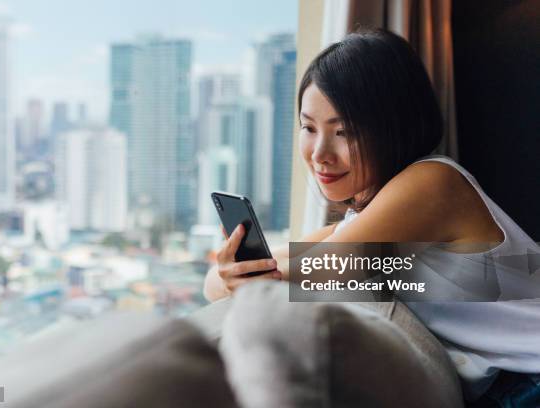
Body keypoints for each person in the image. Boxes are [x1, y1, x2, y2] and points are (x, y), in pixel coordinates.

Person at [203, 28, 540, 404]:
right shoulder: (357, 224)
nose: (319, 154)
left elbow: (316, 273)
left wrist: (256, 276)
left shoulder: (434, 183)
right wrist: (236, 272)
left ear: (395, 127)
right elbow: (215, 286)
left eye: (344, 132)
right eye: (309, 128)